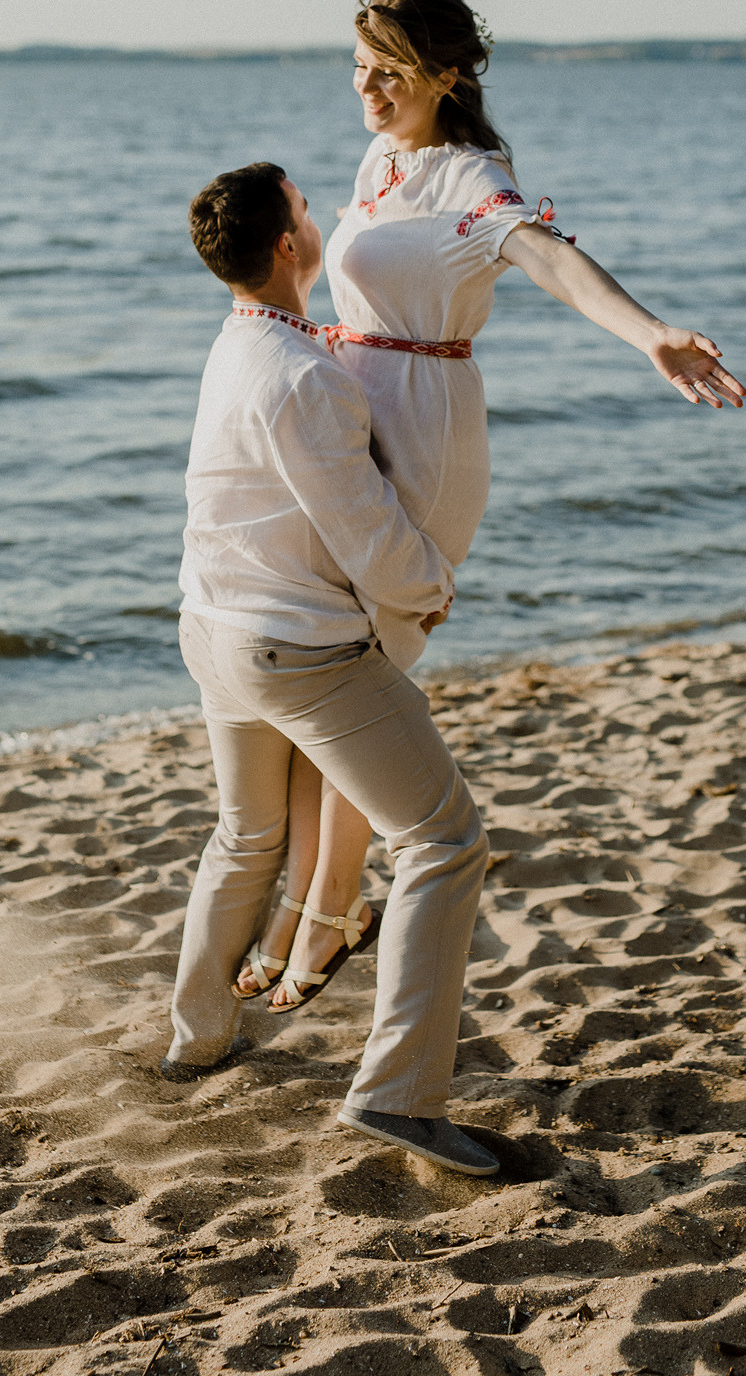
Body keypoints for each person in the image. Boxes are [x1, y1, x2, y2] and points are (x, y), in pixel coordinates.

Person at [236, 0, 746, 1011]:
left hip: (421, 437)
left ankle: (329, 913)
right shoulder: (382, 153)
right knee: (321, 695)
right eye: (357, 69)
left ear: (444, 74)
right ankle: (308, 905)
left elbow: (553, 263)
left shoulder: (473, 177)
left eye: (388, 72)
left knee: (351, 690)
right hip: (350, 421)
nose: (366, 90)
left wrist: (648, 331)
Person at [168, 159, 498, 1176]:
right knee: (444, 840)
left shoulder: (237, 347)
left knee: (246, 834)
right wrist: (427, 587)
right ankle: (397, 1099)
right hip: (293, 651)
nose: (319, 221)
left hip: (212, 629)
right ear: (285, 246)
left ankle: (195, 1040)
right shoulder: (304, 377)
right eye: (308, 211)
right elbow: (362, 531)